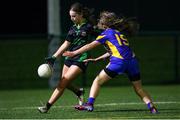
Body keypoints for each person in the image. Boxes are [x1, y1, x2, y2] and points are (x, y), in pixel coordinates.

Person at [63, 11, 158, 114]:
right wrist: (97, 59)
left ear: (104, 25)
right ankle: (152, 107)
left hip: (119, 62)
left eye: (100, 21)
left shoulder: (105, 34)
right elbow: (113, 51)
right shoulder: (118, 33)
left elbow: (89, 46)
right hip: (133, 62)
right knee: (138, 88)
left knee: (97, 81)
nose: (98, 22)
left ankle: (89, 104)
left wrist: (74, 53)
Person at [38, 2, 99, 113]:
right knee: (63, 82)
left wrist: (111, 48)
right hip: (69, 57)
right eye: (70, 16)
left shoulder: (89, 27)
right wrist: (54, 57)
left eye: (74, 16)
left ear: (81, 14)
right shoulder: (73, 28)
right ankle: (79, 92)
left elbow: (101, 39)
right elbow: (66, 44)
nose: (72, 18)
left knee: (63, 83)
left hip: (81, 58)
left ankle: (47, 107)